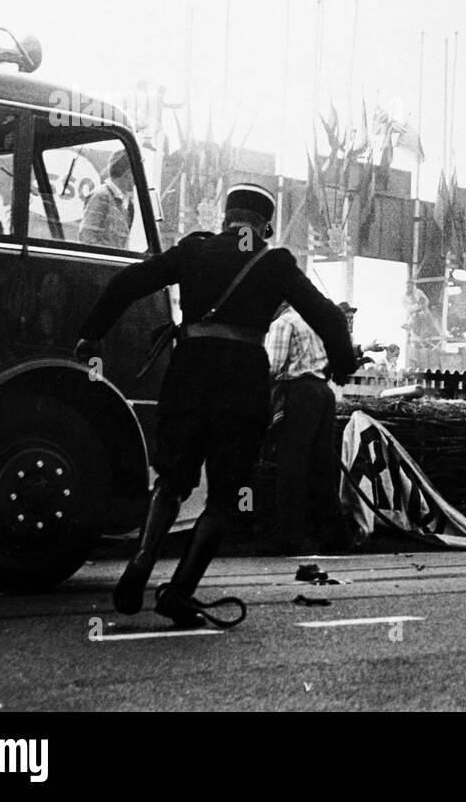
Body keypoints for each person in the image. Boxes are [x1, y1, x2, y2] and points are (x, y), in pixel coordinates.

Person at [75, 184, 356, 626]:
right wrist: (342, 361)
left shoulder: (193, 250)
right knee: (226, 496)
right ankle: (180, 593)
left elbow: (128, 282)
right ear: (264, 225)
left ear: (226, 218)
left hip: (187, 374)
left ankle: (143, 559)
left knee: (172, 480)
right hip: (241, 382)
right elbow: (328, 316)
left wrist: (92, 333)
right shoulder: (274, 262)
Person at [264, 302, 348, 554]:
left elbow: (273, 367)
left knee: (291, 467)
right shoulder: (314, 321)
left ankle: (289, 538)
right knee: (322, 467)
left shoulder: (283, 323)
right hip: (323, 393)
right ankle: (337, 537)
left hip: (298, 393)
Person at [78, 151, 136, 249]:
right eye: (135, 173)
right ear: (128, 173)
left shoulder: (124, 203)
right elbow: (87, 240)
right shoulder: (101, 196)